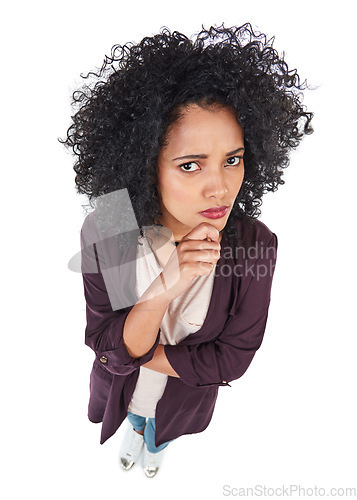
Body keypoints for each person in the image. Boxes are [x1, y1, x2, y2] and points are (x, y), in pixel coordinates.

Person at [60, 23, 313, 478]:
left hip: (182, 400)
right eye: (190, 165)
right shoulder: (111, 226)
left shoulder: (254, 244)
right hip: (122, 391)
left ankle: (154, 445)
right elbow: (101, 343)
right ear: (143, 163)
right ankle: (134, 432)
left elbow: (231, 360)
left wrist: (131, 350)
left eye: (232, 159)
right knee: (135, 416)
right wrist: (161, 289)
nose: (220, 187)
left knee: (161, 429)